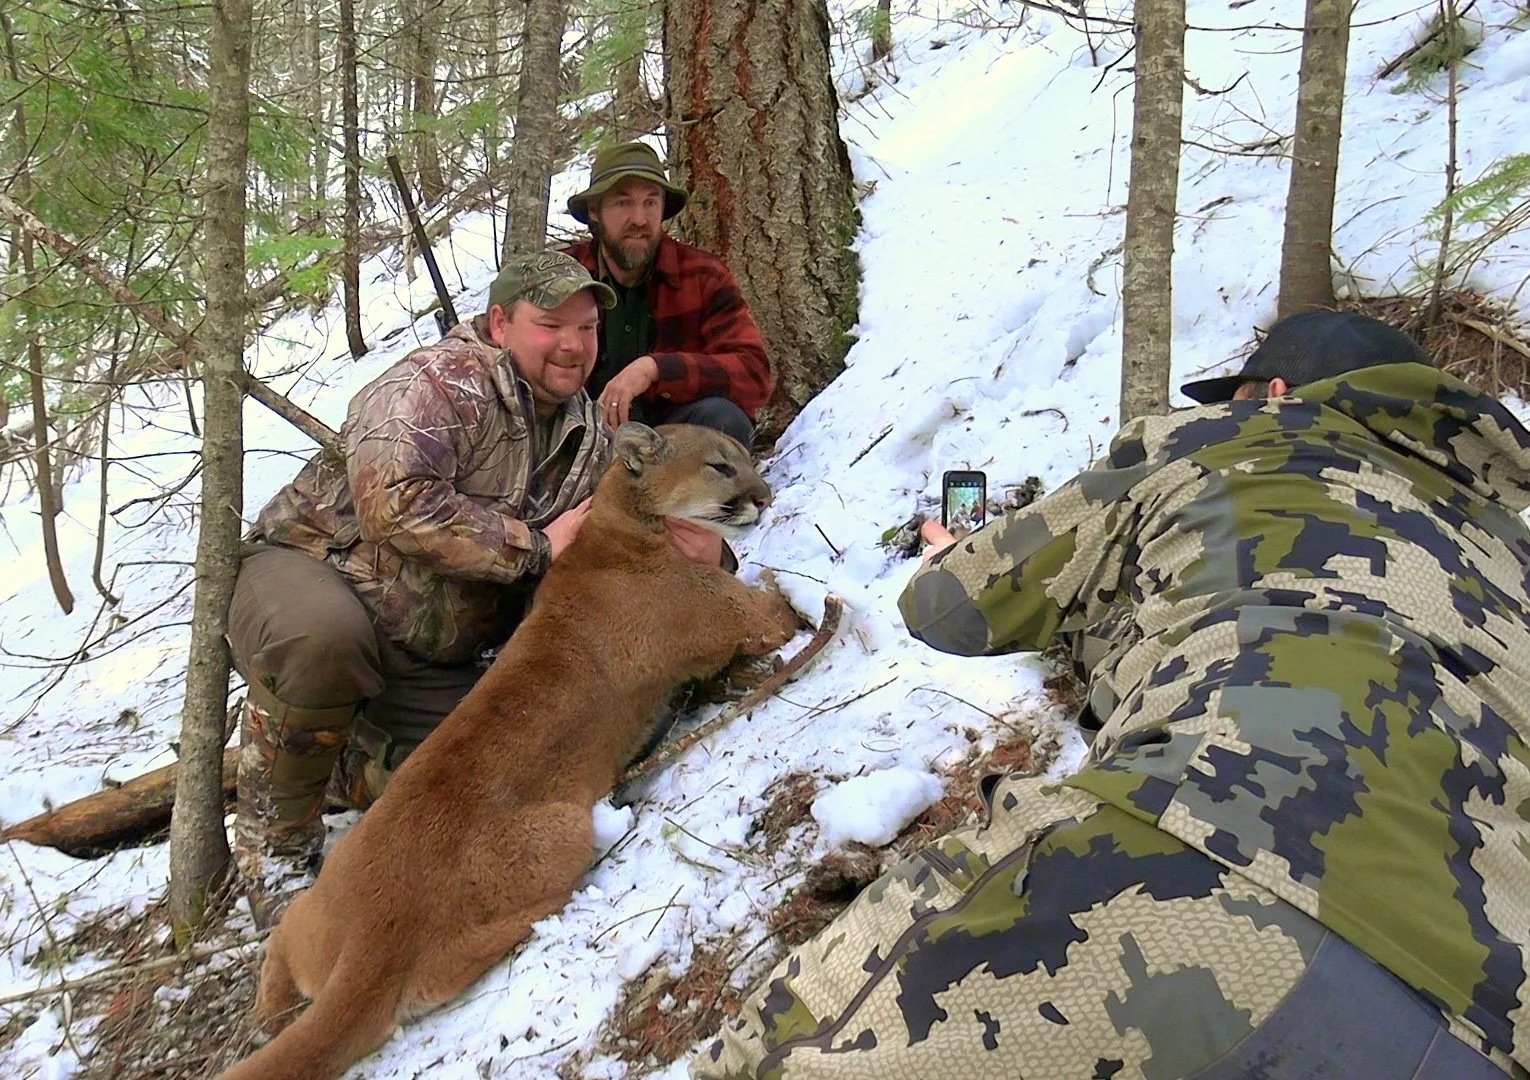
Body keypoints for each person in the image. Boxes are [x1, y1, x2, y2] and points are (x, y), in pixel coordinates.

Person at [695, 310, 1530, 1078]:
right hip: (1488, 1015)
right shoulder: (1510, 554)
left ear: (1271, 394)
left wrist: (950, 555)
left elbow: (949, 609)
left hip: (1200, 869)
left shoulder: (1229, 440)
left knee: (780, 1050)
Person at [227, 250, 725, 925]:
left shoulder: (588, 433)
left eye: (587, 329)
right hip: (318, 570)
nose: (573, 346)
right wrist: (537, 546)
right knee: (322, 640)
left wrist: (708, 555)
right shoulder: (434, 386)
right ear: (499, 324)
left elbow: (629, 523)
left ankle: (334, 758)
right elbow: (393, 505)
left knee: (485, 784)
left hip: (431, 646)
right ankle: (277, 851)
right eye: (552, 325)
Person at [563, 140, 772, 449]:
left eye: (650, 202)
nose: (639, 219)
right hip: (583, 437)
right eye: (623, 203)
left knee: (724, 419)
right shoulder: (565, 274)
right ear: (595, 211)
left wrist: (656, 369)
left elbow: (754, 373)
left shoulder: (703, 275)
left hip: (674, 443)